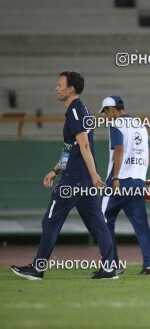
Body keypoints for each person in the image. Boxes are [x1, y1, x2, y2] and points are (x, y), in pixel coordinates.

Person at [11, 71, 117, 280]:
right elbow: (71, 147)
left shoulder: (76, 111)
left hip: (74, 180)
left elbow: (84, 144)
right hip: (83, 181)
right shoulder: (79, 111)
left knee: (50, 223)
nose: (56, 88)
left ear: (71, 89)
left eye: (59, 85)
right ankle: (109, 268)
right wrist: (55, 169)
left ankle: (37, 268)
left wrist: (95, 175)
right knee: (99, 225)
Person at [99, 95, 150, 275]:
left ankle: (111, 264)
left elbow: (119, 150)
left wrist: (115, 177)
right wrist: (141, 175)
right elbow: (148, 155)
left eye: (106, 112)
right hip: (138, 180)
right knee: (141, 225)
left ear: (111, 109)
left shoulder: (116, 124)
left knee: (102, 221)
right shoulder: (140, 125)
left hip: (119, 181)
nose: (106, 116)